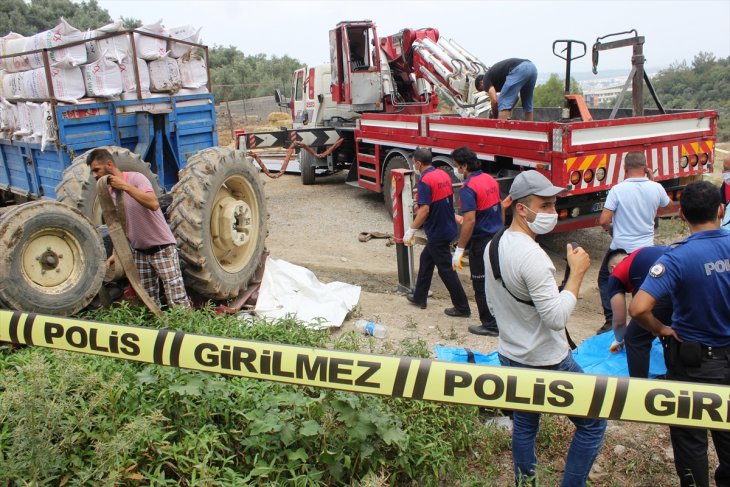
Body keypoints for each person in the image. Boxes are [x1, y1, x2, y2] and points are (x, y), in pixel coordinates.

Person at [485, 170, 606, 486]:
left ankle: (525, 483)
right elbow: (555, 318)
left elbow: (492, 305)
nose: (553, 212)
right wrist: (578, 273)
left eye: (554, 205)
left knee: (525, 427)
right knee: (593, 422)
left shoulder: (493, 245)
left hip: (511, 354)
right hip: (549, 360)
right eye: (546, 205)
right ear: (522, 209)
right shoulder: (534, 258)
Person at [629, 180, 730, 487]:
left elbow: (638, 308)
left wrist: (661, 329)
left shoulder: (676, 257)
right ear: (721, 210)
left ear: (682, 216)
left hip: (693, 366)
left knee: (690, 444)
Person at [87, 148, 190, 308]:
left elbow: (153, 203)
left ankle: (185, 331)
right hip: (139, 253)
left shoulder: (136, 178)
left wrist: (126, 187)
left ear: (109, 164)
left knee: (177, 300)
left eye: (96, 170)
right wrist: (116, 253)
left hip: (162, 249)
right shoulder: (109, 192)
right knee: (148, 301)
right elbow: (118, 224)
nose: (94, 175)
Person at [596, 151, 671, 333]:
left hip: (620, 248)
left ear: (625, 169)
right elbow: (668, 207)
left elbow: (604, 220)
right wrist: (654, 182)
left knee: (607, 280)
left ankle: (611, 321)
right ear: (646, 168)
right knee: (642, 286)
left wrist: (612, 230)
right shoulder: (656, 188)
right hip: (645, 250)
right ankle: (641, 325)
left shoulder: (618, 190)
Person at [404, 147, 471, 318]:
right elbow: (452, 199)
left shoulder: (425, 181)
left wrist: (411, 230)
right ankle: (420, 297)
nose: (414, 166)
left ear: (418, 163)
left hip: (438, 231)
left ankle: (462, 307)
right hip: (448, 227)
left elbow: (424, 210)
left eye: (414, 163)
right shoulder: (442, 174)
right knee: (426, 259)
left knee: (446, 270)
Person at [450, 146, 502, 336]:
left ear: (464, 166)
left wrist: (460, 249)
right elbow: (500, 207)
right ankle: (501, 320)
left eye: (456, 166)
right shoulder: (490, 179)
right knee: (496, 282)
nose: (456, 170)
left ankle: (489, 324)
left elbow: (470, 220)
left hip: (481, 242)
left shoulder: (468, 188)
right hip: (496, 237)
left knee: (480, 284)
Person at [605, 245, 671, 378]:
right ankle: (678, 374)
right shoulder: (640, 257)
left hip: (666, 288)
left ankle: (638, 386)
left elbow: (619, 321)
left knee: (634, 339)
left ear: (612, 268)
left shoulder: (616, 273)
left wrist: (619, 339)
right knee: (674, 329)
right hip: (689, 277)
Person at [720, 154, 730, 228]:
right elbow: (721, 203)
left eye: (726, 169)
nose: (723, 172)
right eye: (724, 168)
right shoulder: (726, 184)